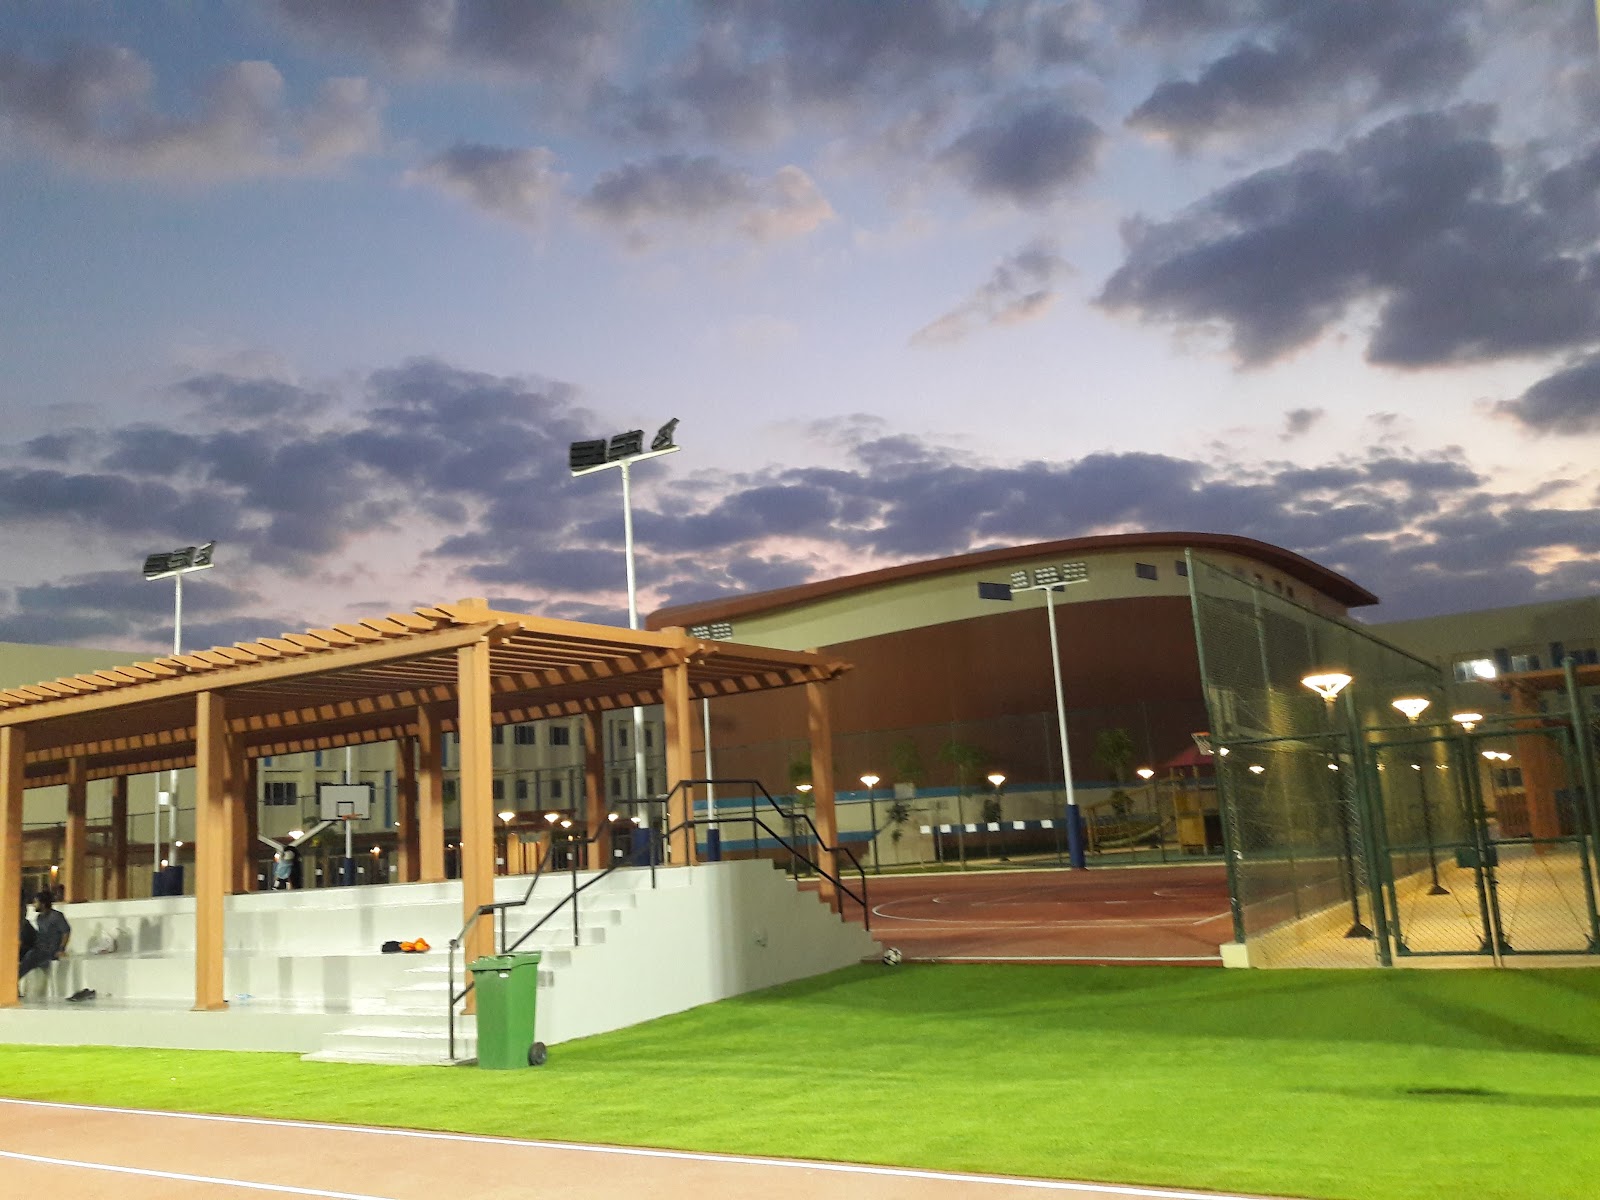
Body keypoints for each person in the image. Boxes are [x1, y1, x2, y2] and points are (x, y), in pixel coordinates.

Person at [18, 891, 69, 993]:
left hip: (50, 949)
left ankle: (12, 981)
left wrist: (61, 949)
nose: (34, 905)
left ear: (43, 904)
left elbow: (66, 932)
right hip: (40, 947)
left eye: (36, 902)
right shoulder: (39, 918)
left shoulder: (56, 916)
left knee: (30, 957)